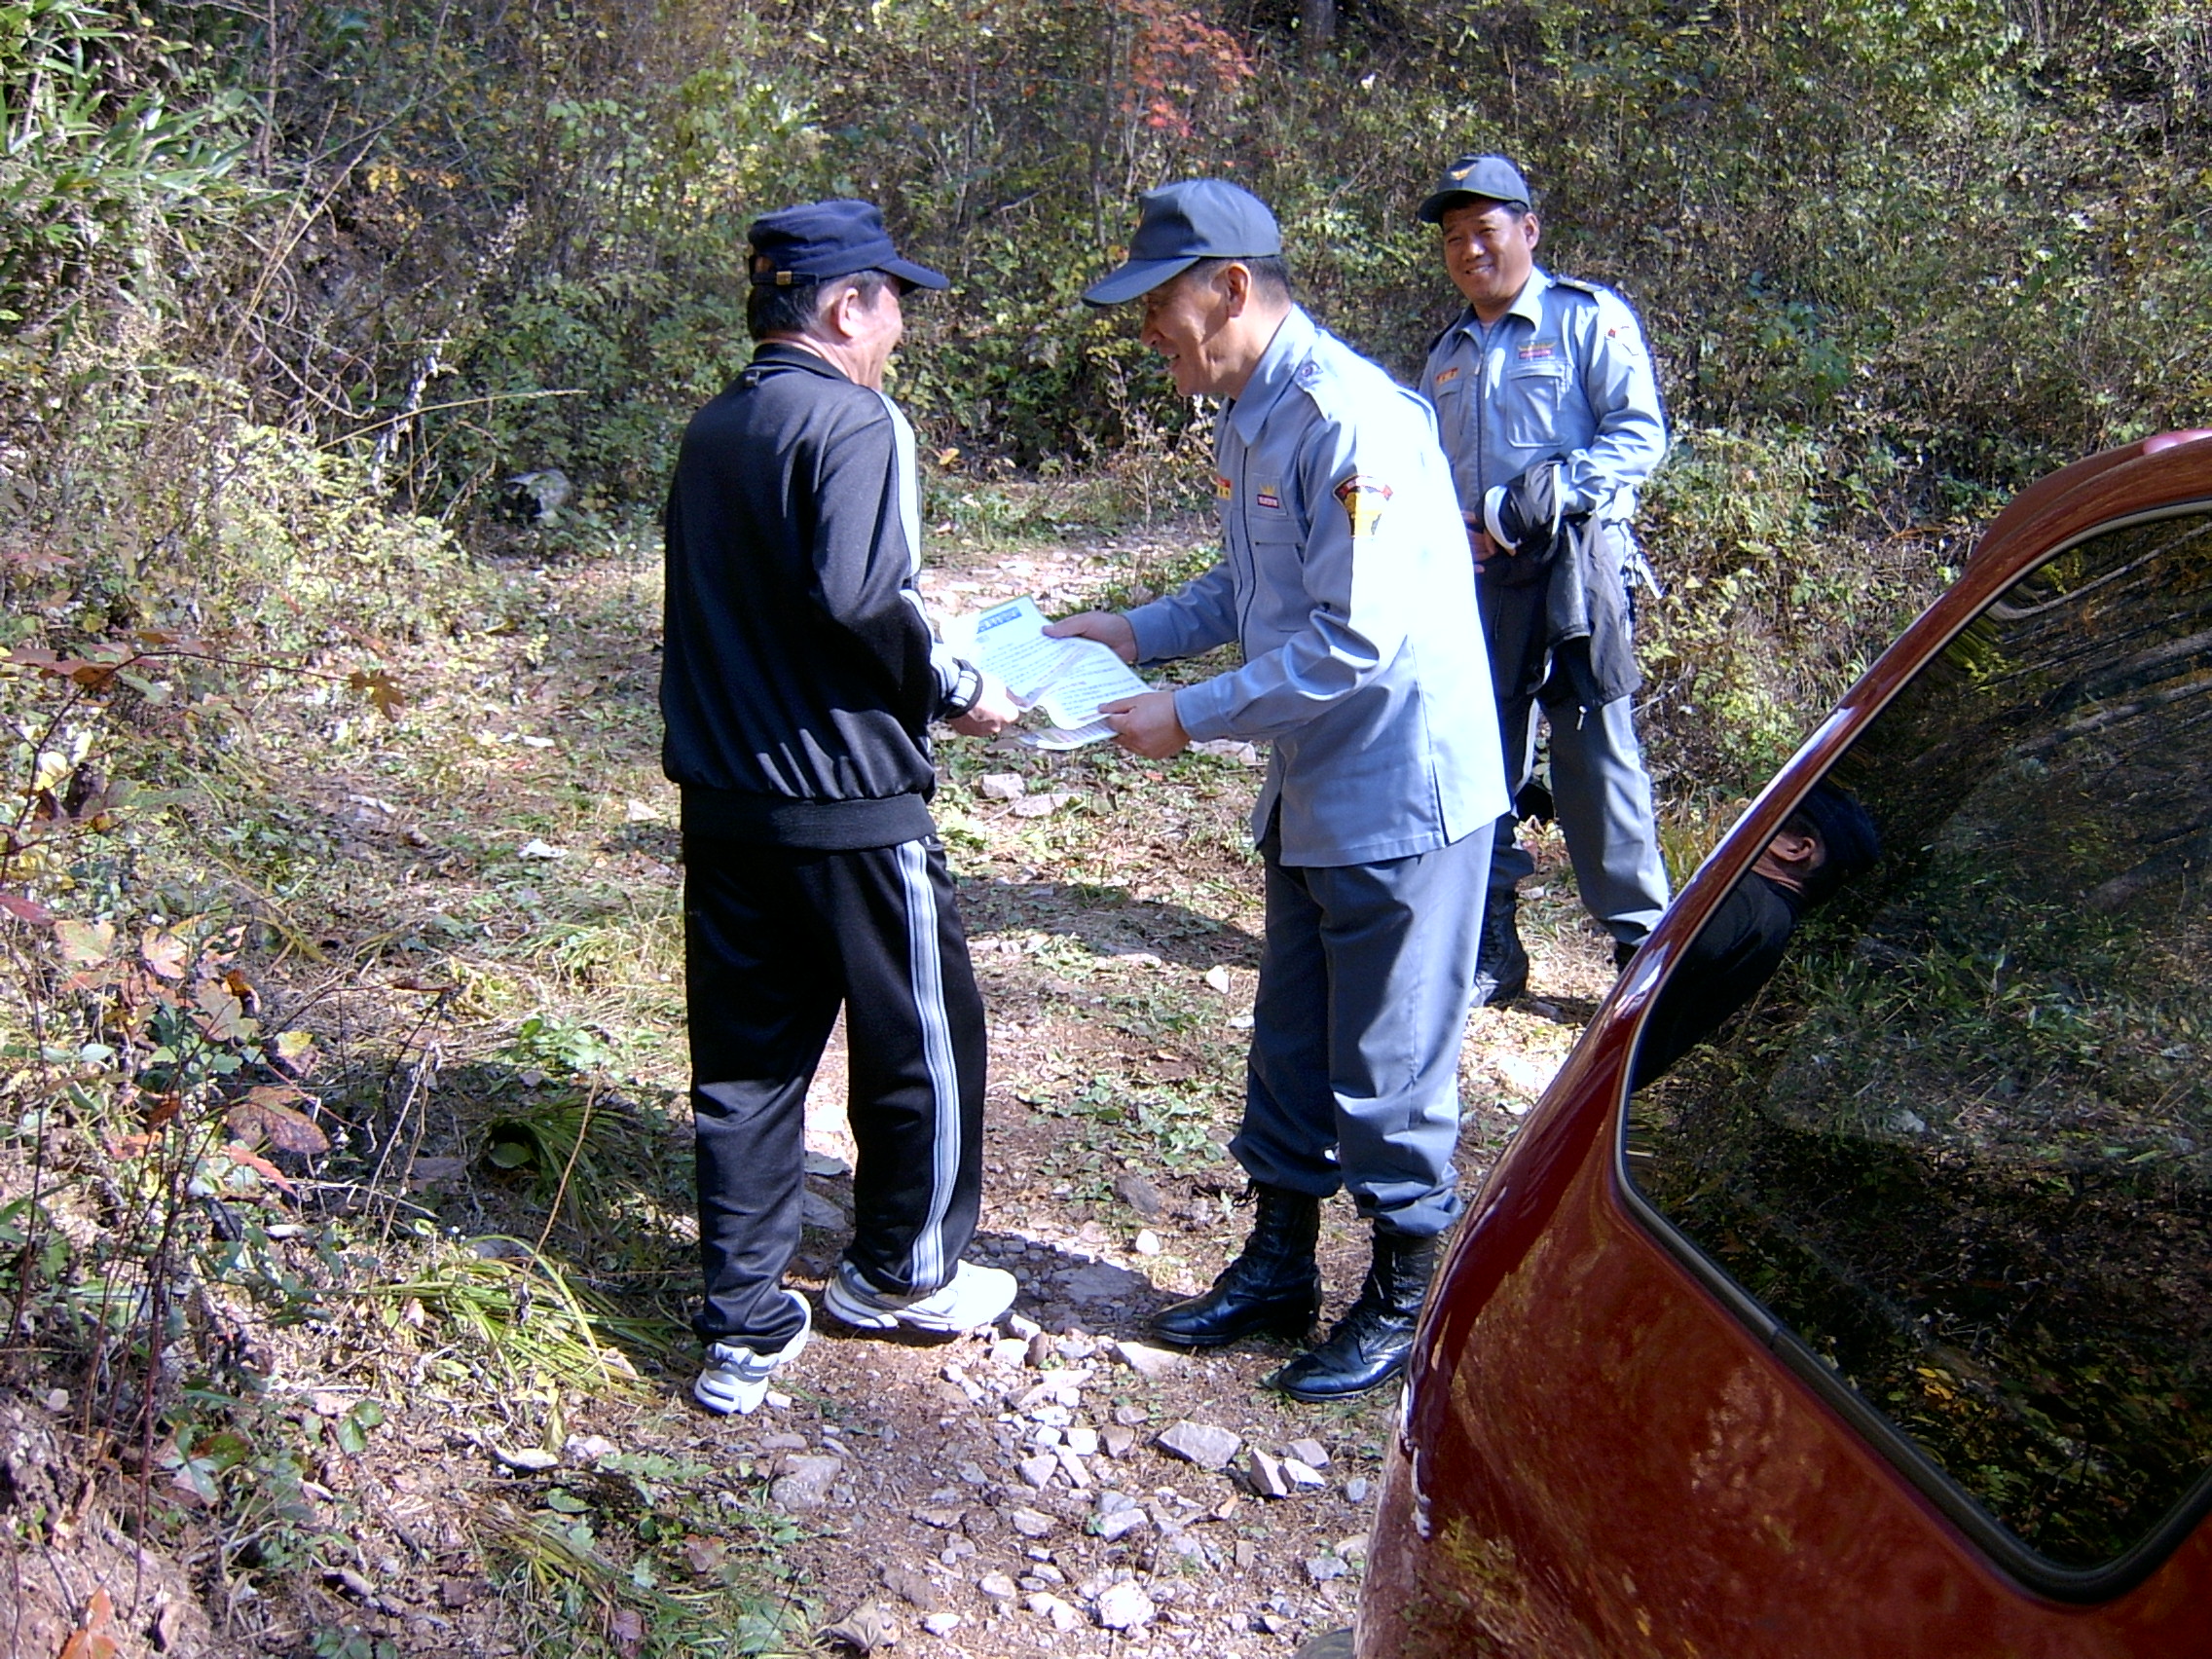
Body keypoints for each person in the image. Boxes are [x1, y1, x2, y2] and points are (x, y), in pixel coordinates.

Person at [1048, 180, 1507, 1401]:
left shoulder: (1352, 422)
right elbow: (1247, 592)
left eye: (1158, 305)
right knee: (1292, 1037)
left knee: (1390, 1056)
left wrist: (1187, 716)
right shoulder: (1248, 415)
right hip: (1311, 783)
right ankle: (1276, 1269)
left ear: (1231, 289)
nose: (1149, 332)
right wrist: (1133, 633)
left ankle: (1402, 1298)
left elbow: (1355, 641)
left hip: (1400, 792)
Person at [660, 199, 1022, 1416]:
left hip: (726, 804)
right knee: (923, 1039)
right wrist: (955, 686)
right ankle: (904, 1275)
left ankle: (742, 1326)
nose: (899, 330)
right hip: (851, 803)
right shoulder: (855, 421)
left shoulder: (715, 426)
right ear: (843, 304)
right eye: (891, 302)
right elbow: (863, 595)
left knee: (746, 1068)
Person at [1416, 153, 1672, 1004]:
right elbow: (1425, 467)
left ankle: (1642, 952)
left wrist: (1537, 498)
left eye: (1485, 230)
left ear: (1528, 229)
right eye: (1454, 237)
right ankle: (1490, 941)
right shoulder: (1447, 352)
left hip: (1575, 570)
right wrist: (1455, 526)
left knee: (1596, 752)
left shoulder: (1585, 319)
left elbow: (1638, 436)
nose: (1469, 249)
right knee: (1476, 753)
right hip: (1478, 583)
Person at [1631, 781, 1881, 1088]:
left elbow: (1661, 958)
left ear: (1795, 849)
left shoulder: (1744, 898)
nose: (1744, 821)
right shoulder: (1773, 919)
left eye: (1764, 814)